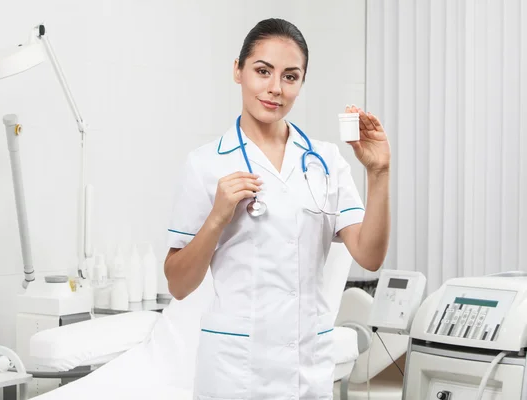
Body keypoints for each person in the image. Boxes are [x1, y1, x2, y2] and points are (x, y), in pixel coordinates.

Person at [164, 18, 390, 400]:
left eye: (290, 76)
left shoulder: (326, 160)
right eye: (262, 71)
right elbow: (178, 285)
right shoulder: (205, 164)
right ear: (238, 71)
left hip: (306, 367)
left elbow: (369, 257)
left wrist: (379, 172)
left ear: (301, 83)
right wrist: (218, 218)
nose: (275, 88)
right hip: (235, 372)